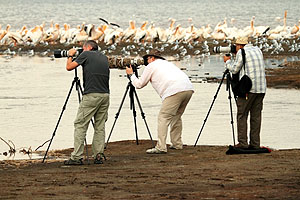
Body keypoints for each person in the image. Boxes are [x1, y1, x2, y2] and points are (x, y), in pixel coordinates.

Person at [126, 50, 194, 154]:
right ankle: (177, 144)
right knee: (176, 116)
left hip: (174, 90)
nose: (145, 62)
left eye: (147, 59)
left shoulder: (151, 65)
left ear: (152, 58)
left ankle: (161, 147)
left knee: (163, 117)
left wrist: (131, 76)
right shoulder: (167, 64)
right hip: (188, 89)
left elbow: (139, 84)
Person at [64, 40, 110, 165]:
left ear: (88, 47)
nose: (82, 51)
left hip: (91, 95)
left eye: (83, 49)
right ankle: (98, 155)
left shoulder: (86, 54)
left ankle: (76, 157)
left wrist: (70, 55)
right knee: (99, 126)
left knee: (80, 124)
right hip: (105, 95)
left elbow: (69, 67)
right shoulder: (104, 57)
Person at [224, 37, 267, 149]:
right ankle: (255, 144)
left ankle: (243, 143)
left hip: (249, 89)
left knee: (242, 115)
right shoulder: (257, 49)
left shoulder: (242, 52)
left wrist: (227, 61)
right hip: (261, 88)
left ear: (239, 46)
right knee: (256, 117)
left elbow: (234, 70)